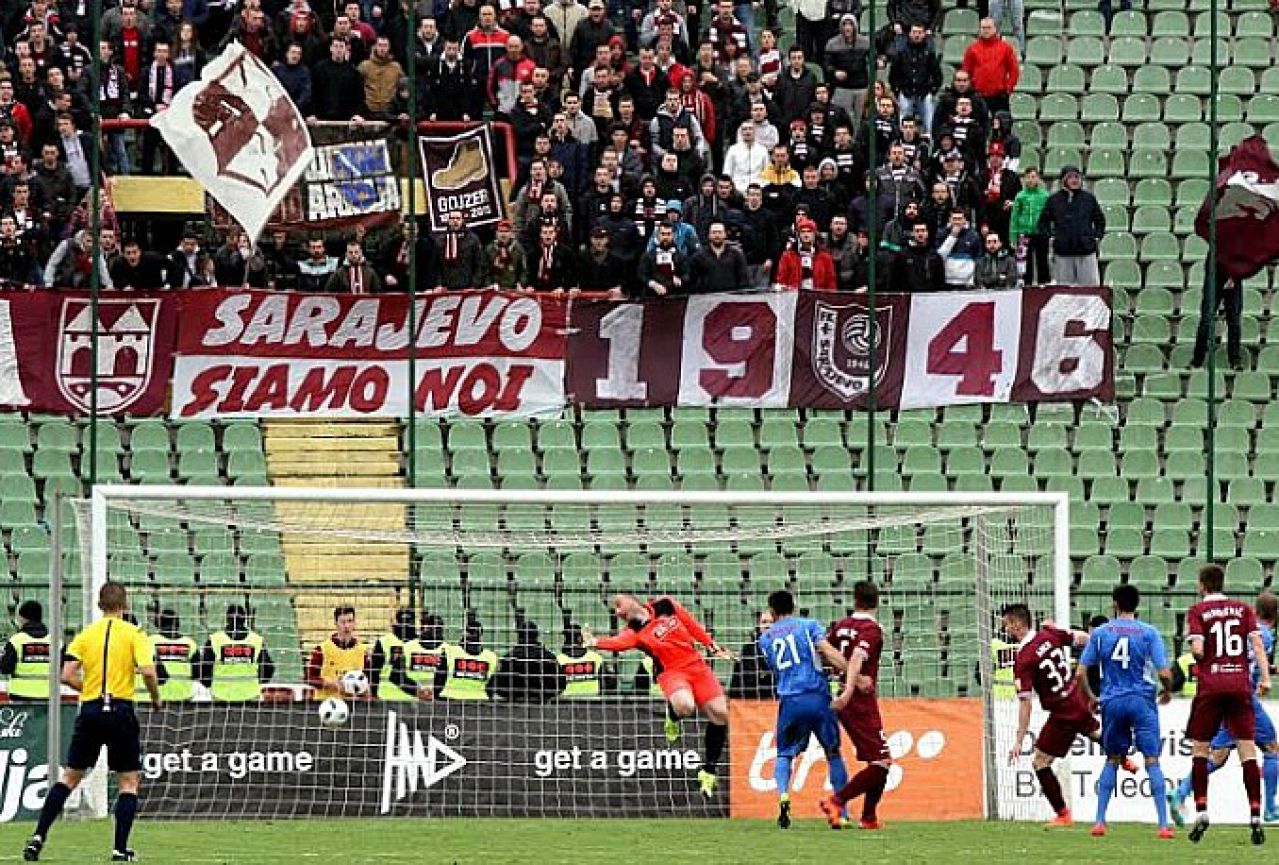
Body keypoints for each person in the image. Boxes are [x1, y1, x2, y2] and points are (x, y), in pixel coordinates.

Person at [24, 583, 160, 863]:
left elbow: (66, 674)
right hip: (120, 709)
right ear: (125, 605)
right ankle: (120, 849)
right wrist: (156, 697)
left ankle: (38, 836)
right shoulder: (135, 634)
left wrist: (88, 689)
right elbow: (147, 671)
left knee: (70, 777)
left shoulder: (86, 634)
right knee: (128, 781)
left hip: (91, 709)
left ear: (99, 605)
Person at [583, 594, 735, 797]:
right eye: (615, 611)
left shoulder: (666, 605)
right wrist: (595, 642)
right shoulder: (633, 632)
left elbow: (690, 623)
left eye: (618, 605)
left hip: (697, 666)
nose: (618, 612)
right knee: (685, 706)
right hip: (672, 672)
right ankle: (672, 715)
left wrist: (711, 645)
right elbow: (617, 643)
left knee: (721, 714)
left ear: (632, 599)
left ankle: (708, 771)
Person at [1002, 601, 1131, 828]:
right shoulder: (1049, 634)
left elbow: (1025, 702)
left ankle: (1062, 814)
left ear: (1015, 623)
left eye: (1006, 625)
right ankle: (1124, 756)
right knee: (1094, 733)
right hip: (1077, 697)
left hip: (1063, 712)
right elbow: (1080, 638)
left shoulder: (1024, 658)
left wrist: (1019, 739)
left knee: (1040, 762)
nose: (1005, 630)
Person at [1170, 590, 1279, 827]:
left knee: (1218, 756)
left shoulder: (1243, 627)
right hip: (1244, 697)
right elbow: (1252, 661)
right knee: (1271, 747)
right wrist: (1265, 677)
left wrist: (1271, 669)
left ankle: (1181, 791)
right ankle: (1270, 807)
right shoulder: (1265, 636)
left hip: (1223, 692)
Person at [1076, 585, 1174, 838]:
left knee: (1112, 758)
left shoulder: (1100, 632)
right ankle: (1163, 825)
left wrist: (1091, 697)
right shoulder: (1149, 632)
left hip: (1113, 700)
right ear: (1137, 605)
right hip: (1141, 700)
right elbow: (1163, 672)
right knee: (1152, 759)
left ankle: (1099, 821)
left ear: (1114, 604)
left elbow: (1080, 672)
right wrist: (1168, 690)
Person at [760, 590, 849, 829]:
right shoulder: (808, 625)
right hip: (817, 696)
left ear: (773, 611)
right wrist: (851, 673)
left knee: (785, 753)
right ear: (793, 606)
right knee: (833, 752)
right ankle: (841, 811)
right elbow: (827, 652)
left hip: (790, 699)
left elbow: (774, 667)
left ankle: (783, 795)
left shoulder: (765, 639)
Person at [819, 580, 889, 831]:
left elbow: (824, 650)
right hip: (858, 701)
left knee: (878, 761)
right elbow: (858, 657)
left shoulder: (841, 626)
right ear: (876, 602)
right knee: (882, 762)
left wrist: (838, 682)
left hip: (841, 694)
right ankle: (837, 800)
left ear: (854, 599)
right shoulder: (871, 630)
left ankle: (869, 818)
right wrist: (851, 689)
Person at [1037, 165, 1105, 286]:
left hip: (1086, 252)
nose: (1074, 180)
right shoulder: (1054, 200)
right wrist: (1051, 237)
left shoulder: (1089, 199)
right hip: (1063, 253)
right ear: (1063, 180)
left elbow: (1100, 220)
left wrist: (1095, 237)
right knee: (1064, 291)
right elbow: (1042, 222)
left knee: (1090, 290)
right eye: (1070, 177)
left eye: (1077, 177)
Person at [198, 605, 274, 702]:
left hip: (221, 696)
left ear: (227, 619)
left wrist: (209, 684)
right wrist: (256, 682)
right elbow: (268, 668)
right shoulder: (256, 640)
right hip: (250, 695)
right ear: (245, 619)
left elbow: (204, 669)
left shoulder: (214, 640)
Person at [490, 618, 566, 703]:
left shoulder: (509, 658)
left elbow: (495, 685)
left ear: (519, 636)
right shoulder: (548, 657)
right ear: (537, 636)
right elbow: (561, 684)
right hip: (541, 705)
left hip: (515, 705)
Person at [305, 605, 370, 700]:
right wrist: (332, 684)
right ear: (336, 623)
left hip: (353, 704)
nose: (347, 626)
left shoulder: (362, 651)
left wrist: (362, 690)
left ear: (355, 623)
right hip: (326, 704)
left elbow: (368, 680)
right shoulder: (322, 649)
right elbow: (310, 678)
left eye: (350, 621)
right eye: (343, 622)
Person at [960, 18, 1018, 116]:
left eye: (989, 28)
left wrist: (1008, 89)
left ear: (995, 29)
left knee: (1003, 125)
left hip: (999, 96)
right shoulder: (972, 48)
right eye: (983, 28)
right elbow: (966, 71)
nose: (986, 30)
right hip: (978, 95)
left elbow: (1014, 71)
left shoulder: (1006, 48)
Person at [140, 609, 198, 705]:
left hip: (158, 696)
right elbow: (197, 673)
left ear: (159, 624)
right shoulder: (190, 643)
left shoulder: (149, 641)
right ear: (178, 624)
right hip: (183, 696)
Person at [1191, 265, 1243, 371]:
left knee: (1234, 321)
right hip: (1214, 276)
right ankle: (1197, 360)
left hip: (1234, 276)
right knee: (1206, 320)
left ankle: (1235, 360)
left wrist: (1233, 276)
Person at [371, 608, 425, 702]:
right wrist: (373, 694)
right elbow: (375, 672)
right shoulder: (384, 642)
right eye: (403, 621)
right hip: (388, 698)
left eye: (408, 621)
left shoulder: (420, 643)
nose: (405, 625)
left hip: (414, 699)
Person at [1, 600, 51, 701]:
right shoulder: (55, 641)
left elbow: (5, 668)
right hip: (48, 695)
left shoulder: (16, 641)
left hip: (19, 695)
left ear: (22, 618)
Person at [440, 617, 499, 700]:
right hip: (479, 701)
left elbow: (439, 680)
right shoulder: (491, 657)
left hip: (451, 699)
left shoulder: (450, 652)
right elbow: (491, 686)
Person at [1009, 166, 1049, 285]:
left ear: (1038, 179)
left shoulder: (1045, 196)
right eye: (1028, 177)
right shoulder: (1020, 196)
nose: (1031, 180)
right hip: (1024, 233)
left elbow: (1049, 216)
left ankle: (1044, 285)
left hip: (1041, 233)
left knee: (1042, 261)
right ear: (1024, 179)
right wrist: (1013, 236)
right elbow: (1014, 217)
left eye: (1033, 177)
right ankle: (1026, 286)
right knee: (1025, 263)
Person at [774, 217, 836, 291]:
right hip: (794, 298)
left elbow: (831, 282)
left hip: (818, 298)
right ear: (798, 235)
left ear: (814, 234)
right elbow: (781, 280)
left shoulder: (825, 258)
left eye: (809, 231)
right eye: (803, 232)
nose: (806, 234)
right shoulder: (787, 256)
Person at [728, 609, 776, 699]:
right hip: (753, 702)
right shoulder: (748, 649)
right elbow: (739, 682)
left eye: (772, 622)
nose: (768, 626)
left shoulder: (785, 648)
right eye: (764, 622)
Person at [558, 624, 611, 699]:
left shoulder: (558, 660)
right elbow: (610, 683)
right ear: (580, 639)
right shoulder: (596, 658)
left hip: (566, 704)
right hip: (592, 703)